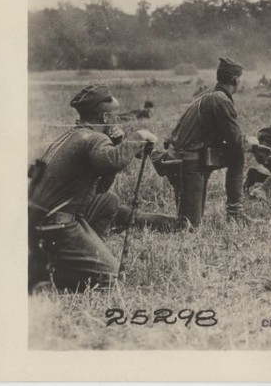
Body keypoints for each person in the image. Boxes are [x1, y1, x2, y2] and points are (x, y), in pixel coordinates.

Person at [28, 85, 169, 293]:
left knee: (108, 201)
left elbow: (100, 187)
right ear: (104, 117)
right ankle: (54, 274)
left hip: (40, 219)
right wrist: (138, 137)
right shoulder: (94, 139)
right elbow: (112, 161)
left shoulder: (74, 135)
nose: (118, 120)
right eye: (116, 116)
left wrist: (115, 143)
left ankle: (81, 254)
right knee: (110, 278)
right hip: (56, 224)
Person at [163, 57, 252, 228]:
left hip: (189, 158)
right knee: (188, 226)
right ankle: (136, 218)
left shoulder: (209, 96)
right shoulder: (220, 100)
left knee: (237, 156)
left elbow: (231, 140)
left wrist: (246, 145)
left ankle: (235, 212)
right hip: (188, 163)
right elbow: (236, 141)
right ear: (235, 80)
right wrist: (252, 145)